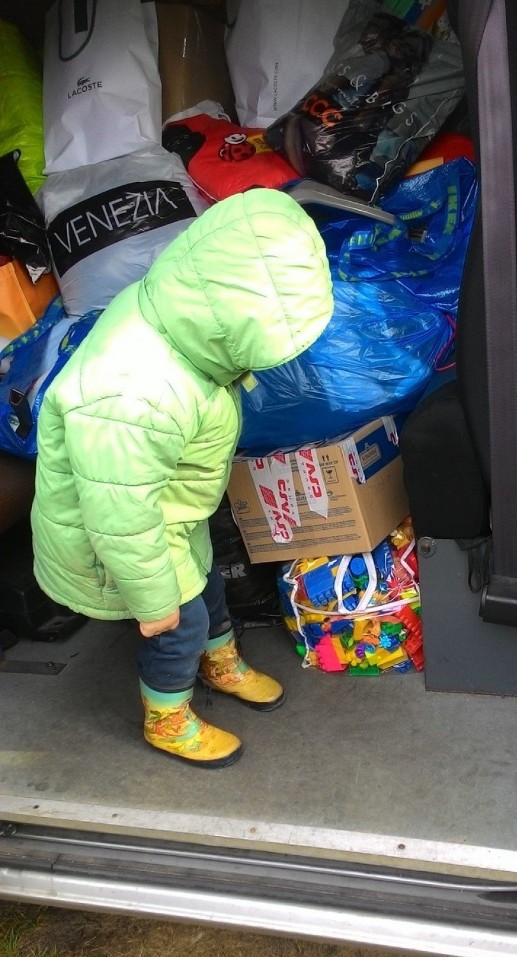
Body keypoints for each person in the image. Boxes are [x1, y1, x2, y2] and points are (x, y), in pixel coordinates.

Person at [31, 188, 334, 768]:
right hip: (125, 534)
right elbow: (118, 517)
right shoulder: (133, 393)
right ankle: (166, 716)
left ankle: (219, 663)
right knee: (177, 622)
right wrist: (153, 603)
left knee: (210, 586)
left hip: (166, 510)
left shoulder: (175, 317)